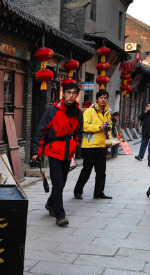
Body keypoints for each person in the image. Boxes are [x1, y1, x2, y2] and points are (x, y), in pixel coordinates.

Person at [33, 82, 84, 227]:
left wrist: (76, 145)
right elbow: (41, 131)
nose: (71, 95)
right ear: (63, 93)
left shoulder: (78, 112)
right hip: (54, 149)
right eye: (68, 92)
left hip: (68, 151)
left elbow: (79, 132)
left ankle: (50, 204)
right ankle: (60, 215)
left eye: (74, 93)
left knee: (62, 182)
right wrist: (36, 152)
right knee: (58, 182)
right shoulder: (52, 110)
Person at [73, 89, 113, 199]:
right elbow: (84, 126)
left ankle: (99, 193)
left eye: (105, 98)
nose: (103, 100)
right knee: (86, 170)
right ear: (97, 99)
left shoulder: (107, 112)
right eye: (101, 98)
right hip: (90, 146)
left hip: (101, 145)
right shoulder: (89, 111)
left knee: (101, 172)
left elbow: (110, 125)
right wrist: (99, 127)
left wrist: (108, 127)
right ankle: (78, 191)